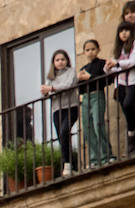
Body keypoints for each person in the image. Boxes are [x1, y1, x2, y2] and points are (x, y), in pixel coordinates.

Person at [40, 49, 79, 175]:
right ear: (53, 62)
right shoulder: (51, 77)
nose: (60, 62)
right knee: (62, 137)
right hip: (57, 110)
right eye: (57, 60)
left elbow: (68, 86)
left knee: (64, 131)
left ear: (67, 60)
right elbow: (45, 94)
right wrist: (45, 92)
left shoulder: (71, 72)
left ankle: (68, 164)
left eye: (62, 59)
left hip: (71, 107)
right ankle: (67, 164)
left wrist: (51, 88)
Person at [77, 38, 113, 167]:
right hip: (86, 98)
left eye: (93, 49)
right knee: (87, 128)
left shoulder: (102, 63)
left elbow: (107, 80)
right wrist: (79, 79)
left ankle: (106, 155)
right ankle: (94, 159)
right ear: (84, 52)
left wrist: (89, 77)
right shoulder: (83, 68)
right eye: (87, 50)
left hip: (97, 95)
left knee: (98, 124)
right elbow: (80, 89)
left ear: (98, 50)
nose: (90, 52)